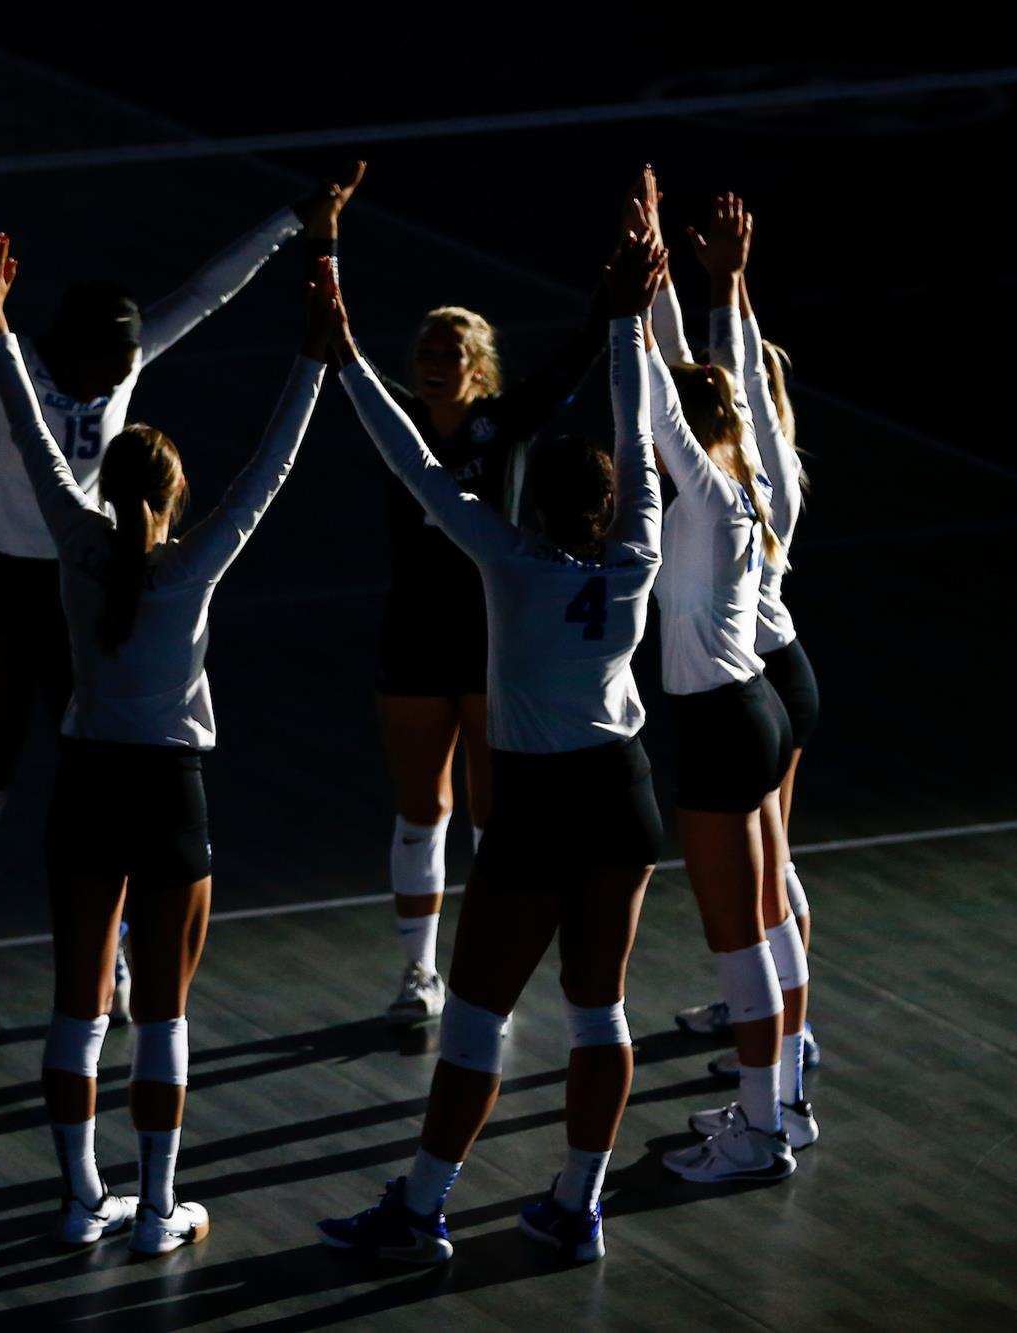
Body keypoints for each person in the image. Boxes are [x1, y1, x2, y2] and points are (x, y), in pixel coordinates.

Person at [0, 148, 363, 1044]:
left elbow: (204, 295)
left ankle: (108, 945)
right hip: (9, 582)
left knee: (101, 769)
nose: (120, 378)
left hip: (93, 580)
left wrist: (292, 221)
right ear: (70, 349)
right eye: (108, 366)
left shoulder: (123, 359)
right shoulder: (9, 366)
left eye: (128, 367)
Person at [0, 237, 335, 1253]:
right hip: (168, 791)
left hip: (86, 783)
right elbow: (271, 466)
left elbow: (28, 427)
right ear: (177, 496)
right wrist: (314, 354)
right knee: (164, 1013)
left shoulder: (72, 538)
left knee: (76, 1003)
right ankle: (154, 1208)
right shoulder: (190, 567)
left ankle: (77, 1197)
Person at [318, 232, 666, 1265]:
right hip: (624, 795)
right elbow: (639, 434)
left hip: (537, 808)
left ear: (534, 501)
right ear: (606, 508)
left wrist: (341, 357)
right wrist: (626, 318)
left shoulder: (505, 559)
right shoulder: (636, 554)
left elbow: (413, 464)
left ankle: (419, 1208)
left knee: (473, 1021)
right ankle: (574, 1200)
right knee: (596, 1008)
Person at [620, 177, 814, 1181]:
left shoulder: (695, 488)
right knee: (766, 912)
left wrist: (634, 295)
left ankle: (759, 1127)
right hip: (760, 707)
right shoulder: (750, 478)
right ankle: (781, 1097)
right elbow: (716, 374)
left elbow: (659, 388)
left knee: (736, 931)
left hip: (719, 722)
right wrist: (714, 284)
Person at [370, 256, 609, 1027]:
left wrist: (613, 301)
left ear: (479, 368)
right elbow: (335, 369)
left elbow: (571, 362)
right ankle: (418, 972)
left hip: (489, 639)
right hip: (412, 638)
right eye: (426, 353)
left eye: (451, 353)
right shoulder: (396, 419)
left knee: (491, 810)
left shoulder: (502, 423)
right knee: (420, 809)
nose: (435, 364)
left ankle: (487, 973)